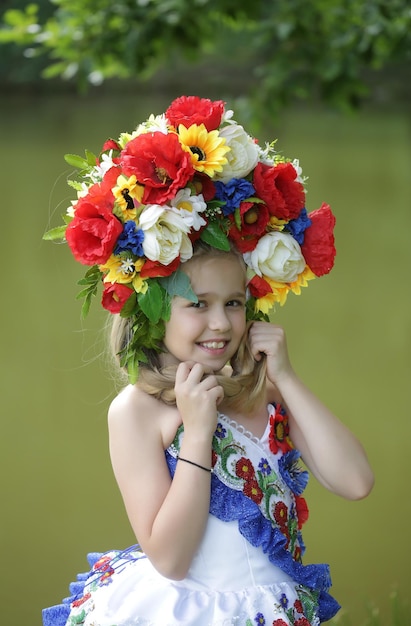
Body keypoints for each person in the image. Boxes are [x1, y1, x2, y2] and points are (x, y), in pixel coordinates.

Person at [42, 95, 374, 626]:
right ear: (152, 310)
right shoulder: (138, 411)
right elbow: (170, 560)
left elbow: (355, 482)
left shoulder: (261, 390)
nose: (221, 324)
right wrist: (196, 434)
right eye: (198, 305)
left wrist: (284, 377)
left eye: (234, 304)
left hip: (274, 608)